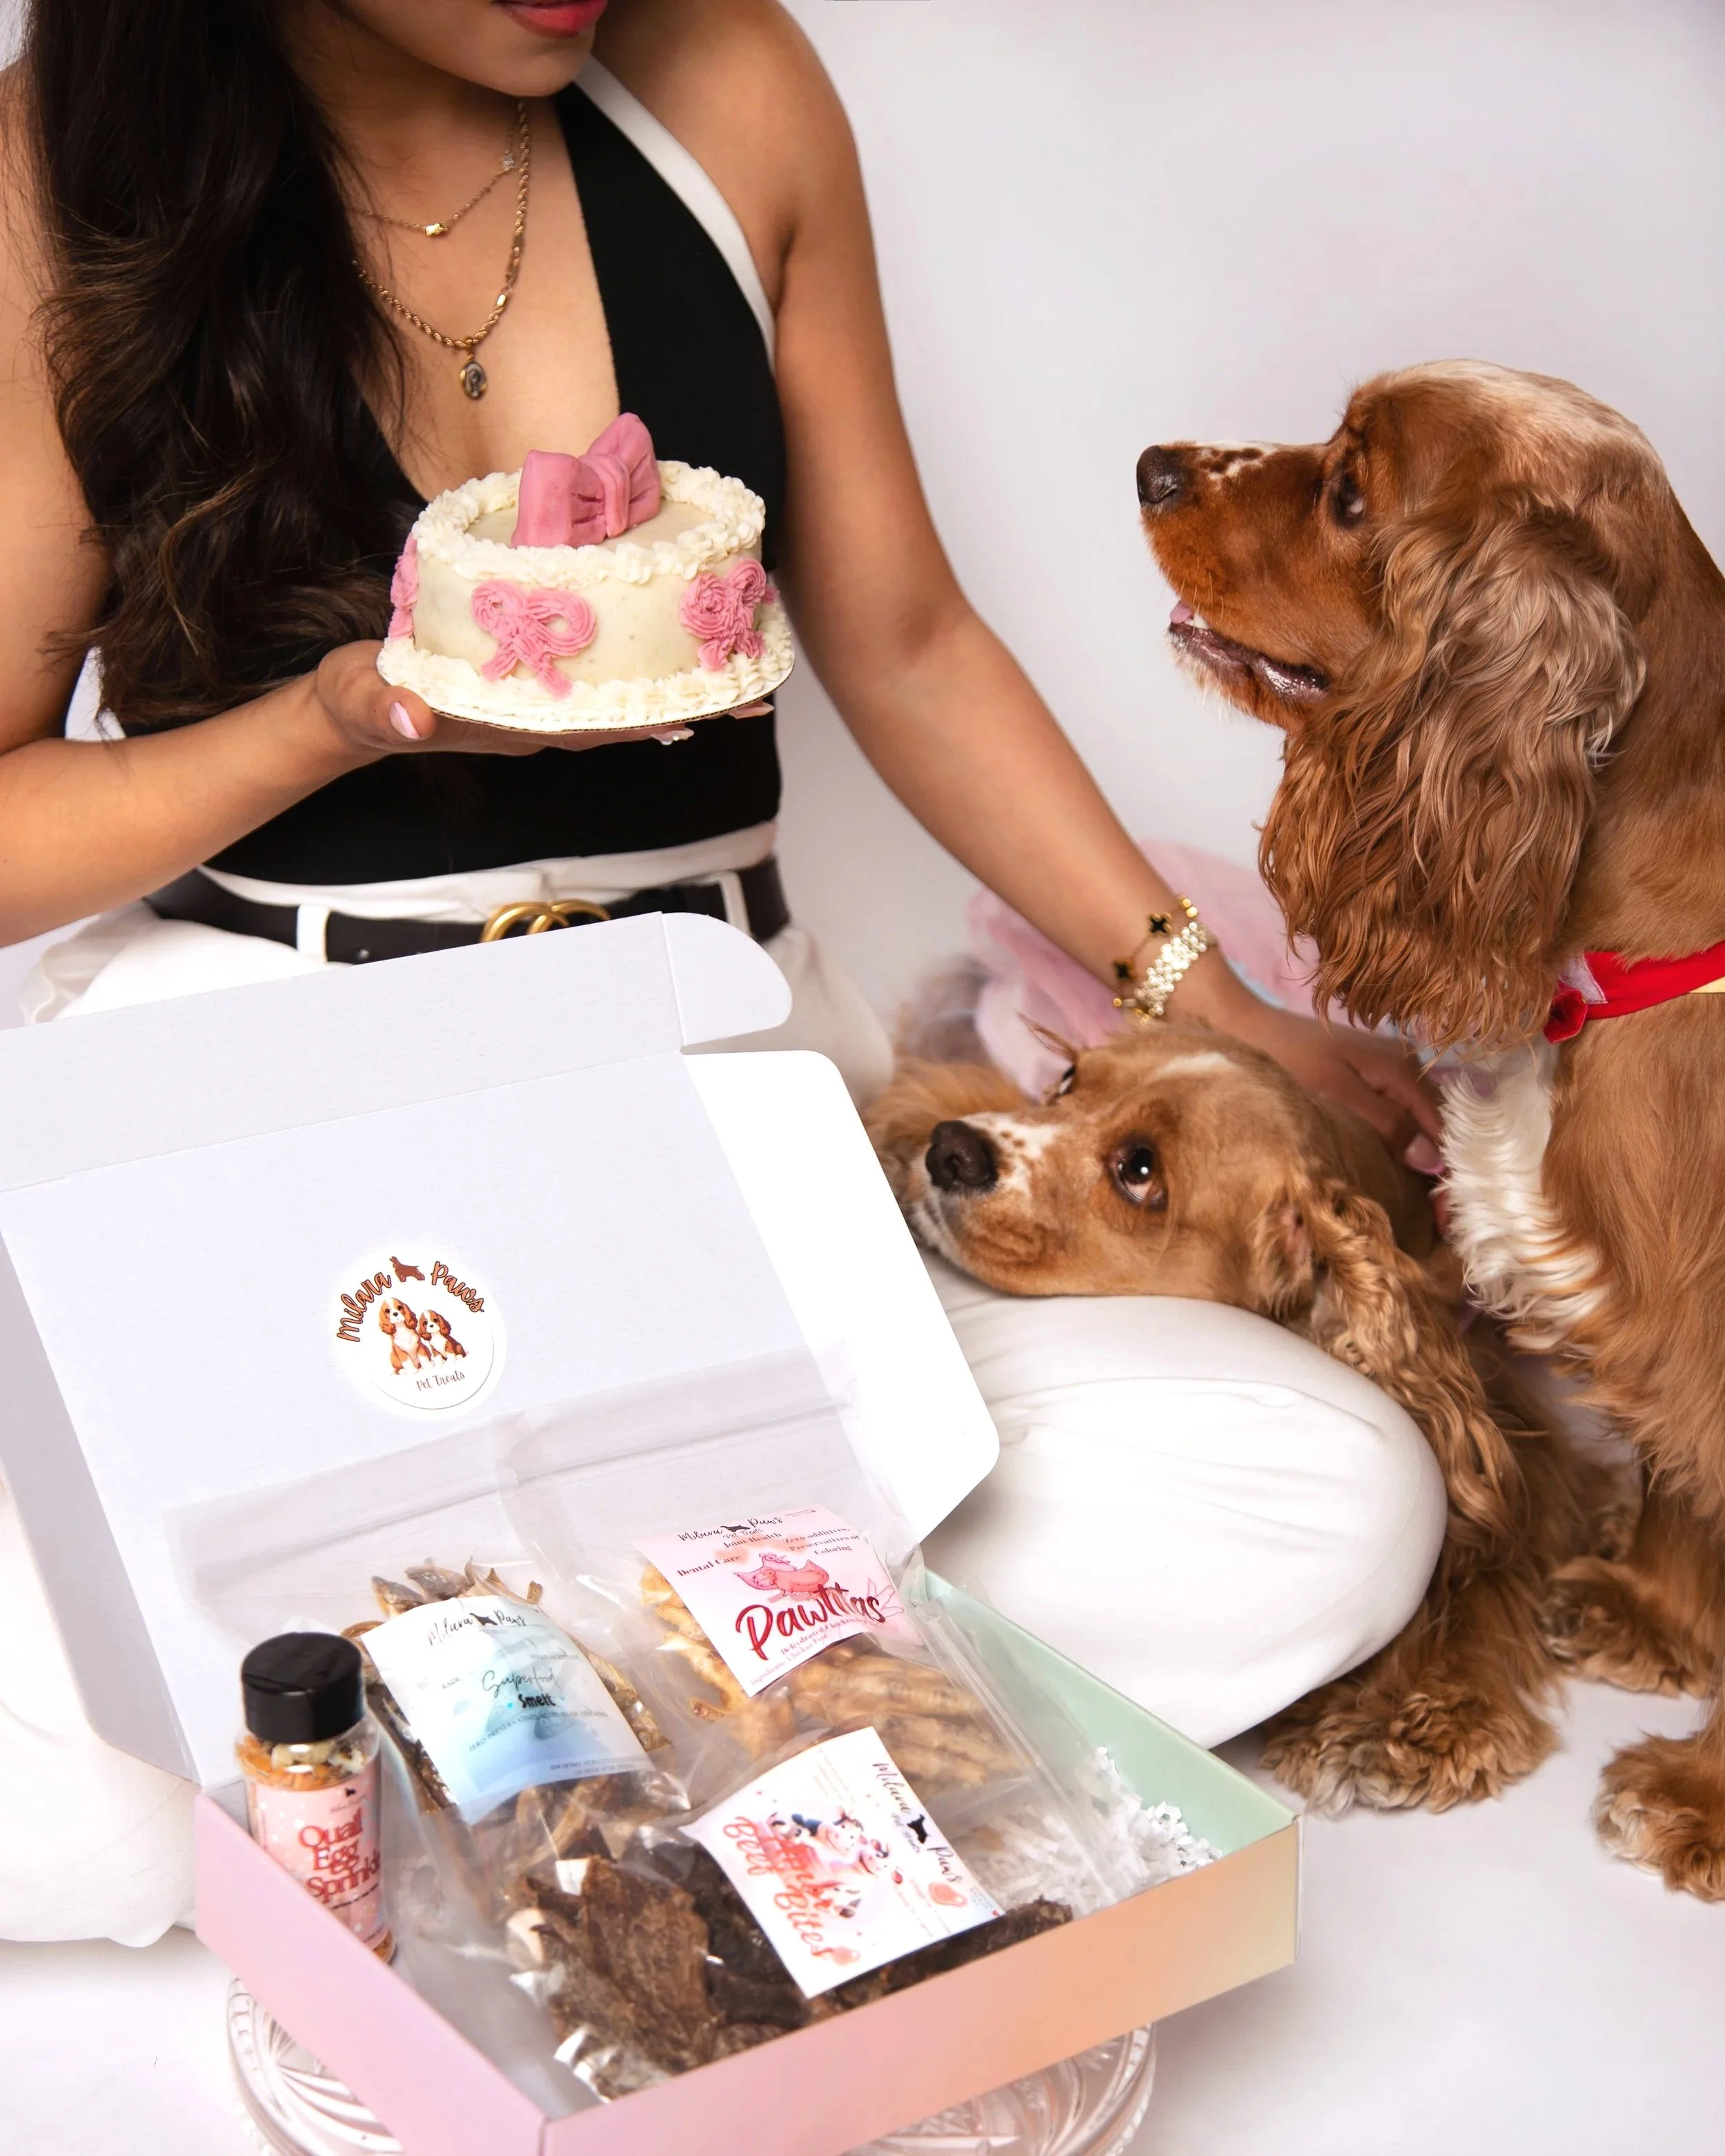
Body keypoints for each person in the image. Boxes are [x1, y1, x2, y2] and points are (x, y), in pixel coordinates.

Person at [0, 0, 1446, 1944]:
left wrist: (1203, 996)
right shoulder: (54, 167)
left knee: (1333, 1495)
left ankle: (489, 1757)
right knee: (61, 1776)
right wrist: (334, 723)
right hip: (283, 1076)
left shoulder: (726, 89)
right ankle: (725, 1719)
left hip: (714, 1064)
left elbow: (909, 638)